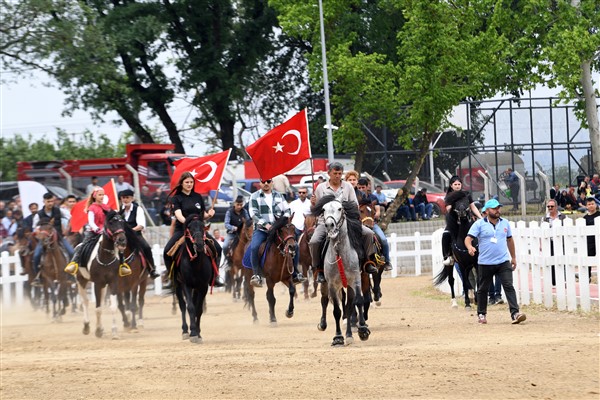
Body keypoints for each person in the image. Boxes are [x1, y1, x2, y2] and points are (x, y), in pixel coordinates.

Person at [309, 162, 376, 283]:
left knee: (369, 234)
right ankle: (318, 269)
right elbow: (316, 210)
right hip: (325, 223)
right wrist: (313, 204)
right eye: (335, 173)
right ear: (329, 173)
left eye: (340, 173)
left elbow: (355, 205)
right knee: (314, 241)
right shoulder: (321, 188)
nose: (337, 176)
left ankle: (367, 262)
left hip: (347, 222)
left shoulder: (348, 187)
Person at [465, 199, 526, 324]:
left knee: (508, 286)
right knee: (483, 289)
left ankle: (515, 313)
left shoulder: (505, 223)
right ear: (486, 211)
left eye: (498, 208)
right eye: (494, 208)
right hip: (485, 262)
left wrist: (513, 257)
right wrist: (469, 247)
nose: (497, 210)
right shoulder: (479, 224)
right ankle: (481, 314)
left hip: (503, 261)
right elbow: (468, 238)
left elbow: (510, 240)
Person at [162, 172, 224, 287]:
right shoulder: (176, 199)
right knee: (166, 251)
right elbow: (178, 215)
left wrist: (209, 214)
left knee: (218, 248)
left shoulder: (198, 197)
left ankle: (214, 276)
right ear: (182, 183)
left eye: (191, 182)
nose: (189, 184)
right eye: (187, 182)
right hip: (182, 230)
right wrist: (188, 223)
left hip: (199, 231)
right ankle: (172, 278)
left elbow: (202, 215)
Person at [249, 178, 305, 288]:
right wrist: (266, 225)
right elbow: (253, 214)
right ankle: (256, 275)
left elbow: (287, 210)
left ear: (272, 183)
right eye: (263, 181)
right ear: (260, 183)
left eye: (268, 181)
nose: (266, 184)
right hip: (262, 230)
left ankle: (295, 274)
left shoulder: (279, 196)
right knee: (254, 247)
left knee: (295, 246)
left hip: (279, 230)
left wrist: (281, 221)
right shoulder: (254, 196)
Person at [65, 186, 131, 277]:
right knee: (84, 245)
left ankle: (122, 264)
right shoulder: (92, 208)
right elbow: (91, 222)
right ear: (95, 196)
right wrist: (97, 229)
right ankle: (74, 262)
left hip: (106, 231)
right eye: (100, 195)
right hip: (93, 231)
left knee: (120, 244)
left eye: (103, 195)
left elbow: (111, 218)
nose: (102, 196)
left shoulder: (106, 207)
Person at [32, 193, 75, 285]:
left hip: (59, 238)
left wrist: (67, 227)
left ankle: (71, 275)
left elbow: (70, 217)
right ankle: (38, 276)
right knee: (36, 255)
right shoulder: (38, 214)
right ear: (44, 202)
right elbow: (34, 227)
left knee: (72, 252)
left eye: (52, 201)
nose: (50, 203)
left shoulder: (59, 211)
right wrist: (38, 232)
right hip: (44, 240)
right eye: (48, 201)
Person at [441, 176, 483, 266]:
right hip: (454, 222)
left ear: (461, 185)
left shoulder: (467, 194)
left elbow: (473, 207)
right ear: (451, 186)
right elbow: (448, 209)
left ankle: (483, 251)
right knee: (446, 234)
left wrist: (481, 218)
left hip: (467, 219)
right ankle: (448, 256)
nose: (457, 186)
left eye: (459, 184)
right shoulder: (448, 197)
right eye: (455, 184)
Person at [118, 189, 160, 279]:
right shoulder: (119, 210)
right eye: (123, 198)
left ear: (132, 198)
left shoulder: (138, 209)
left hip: (135, 236)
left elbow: (140, 225)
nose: (125, 200)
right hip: (121, 236)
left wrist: (129, 231)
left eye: (127, 198)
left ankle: (152, 269)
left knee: (146, 248)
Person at [357, 177, 391, 271]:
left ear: (367, 186)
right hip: (359, 224)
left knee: (383, 240)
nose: (361, 189)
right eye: (359, 188)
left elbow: (378, 211)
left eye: (363, 187)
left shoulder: (373, 198)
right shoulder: (355, 198)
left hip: (372, 223)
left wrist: (373, 216)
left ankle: (387, 261)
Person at [541, 199, 567, 286]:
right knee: (551, 262)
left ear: (556, 207)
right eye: (548, 206)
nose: (550, 208)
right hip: (550, 243)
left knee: (562, 261)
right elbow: (542, 232)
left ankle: (564, 280)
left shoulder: (563, 217)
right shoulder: (545, 218)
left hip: (561, 242)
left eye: (552, 206)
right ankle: (553, 281)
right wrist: (541, 244)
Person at [222, 196, 251, 265]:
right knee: (225, 246)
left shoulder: (245, 211)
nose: (239, 207)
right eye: (238, 204)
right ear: (234, 204)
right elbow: (226, 224)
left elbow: (248, 222)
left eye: (241, 205)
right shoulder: (229, 212)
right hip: (232, 234)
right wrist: (233, 228)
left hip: (243, 234)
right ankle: (228, 260)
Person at [582, 196, 599, 283]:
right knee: (588, 260)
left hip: (599, 241)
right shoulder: (584, 218)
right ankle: (587, 277)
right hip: (589, 242)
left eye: (592, 204)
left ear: (596, 205)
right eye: (589, 204)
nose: (591, 206)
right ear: (586, 206)